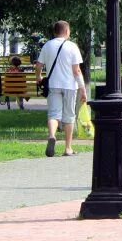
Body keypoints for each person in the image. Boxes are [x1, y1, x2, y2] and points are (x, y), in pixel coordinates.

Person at [33, 20, 86, 157]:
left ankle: (52, 135)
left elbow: (38, 65)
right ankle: (68, 148)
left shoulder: (47, 45)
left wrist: (38, 77)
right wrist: (82, 88)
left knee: (53, 114)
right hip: (69, 86)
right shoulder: (72, 46)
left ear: (55, 32)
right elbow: (77, 71)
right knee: (69, 116)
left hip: (53, 85)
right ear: (67, 31)